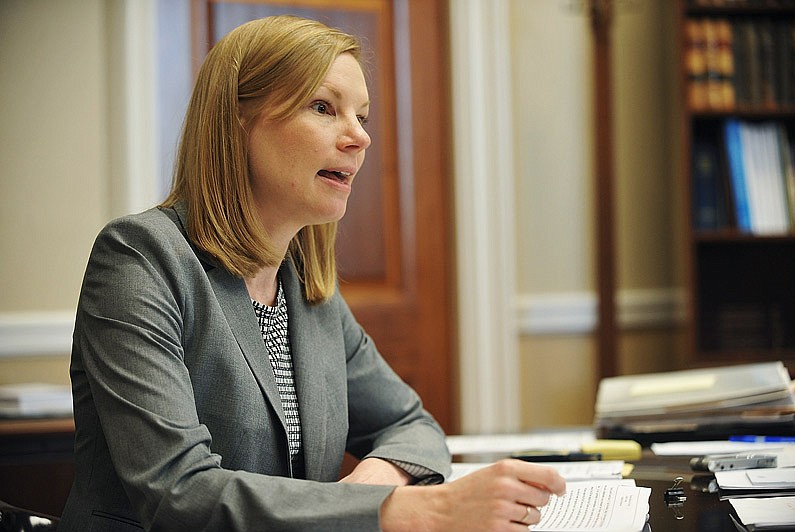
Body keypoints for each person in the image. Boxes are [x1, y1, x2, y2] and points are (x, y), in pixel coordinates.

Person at [57, 15, 565, 532]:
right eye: (324, 108)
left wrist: (365, 490)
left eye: (363, 117)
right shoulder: (140, 258)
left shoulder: (306, 287)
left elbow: (411, 426)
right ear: (237, 123)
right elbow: (179, 492)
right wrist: (410, 510)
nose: (360, 138)